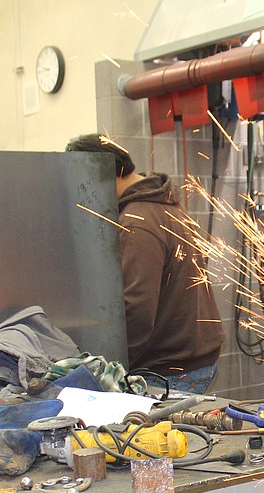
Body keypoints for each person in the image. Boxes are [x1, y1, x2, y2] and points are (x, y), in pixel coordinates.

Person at [66, 134, 223, 394]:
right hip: (190, 357)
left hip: (171, 367)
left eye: (86, 181)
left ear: (110, 171)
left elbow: (136, 309)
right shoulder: (161, 203)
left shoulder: (137, 222)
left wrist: (103, 368)